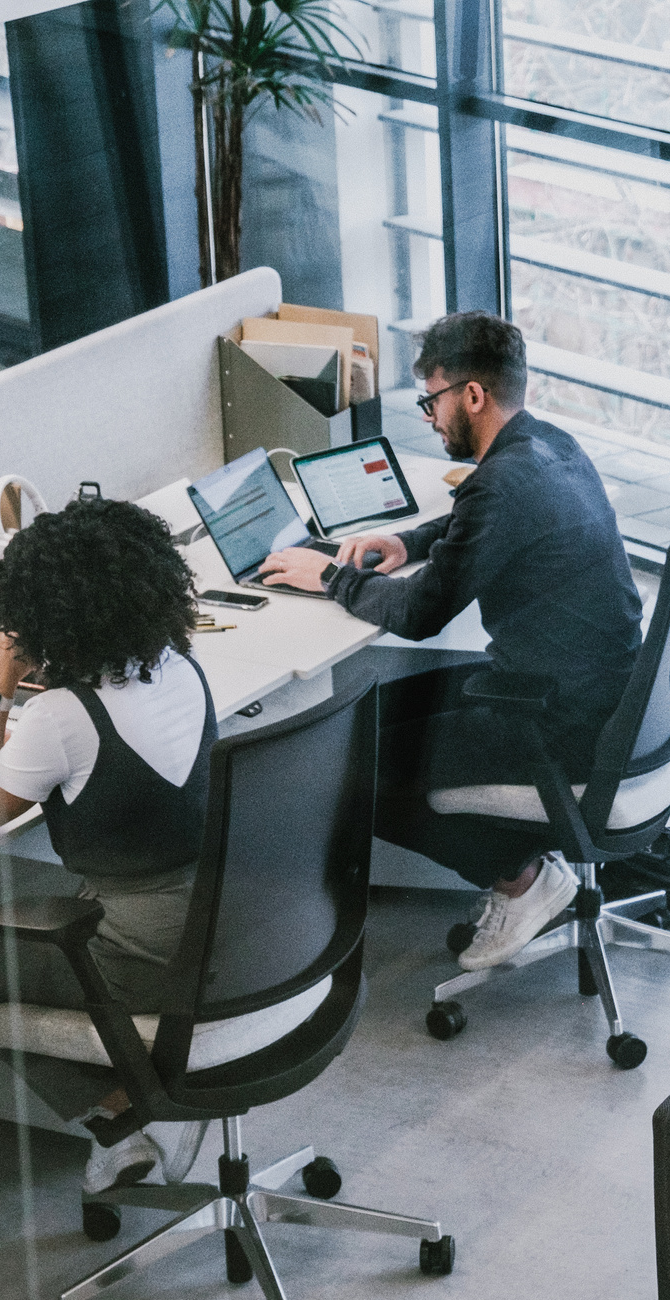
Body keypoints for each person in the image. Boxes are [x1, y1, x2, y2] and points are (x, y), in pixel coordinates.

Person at [256, 310, 643, 971]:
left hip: (557, 722)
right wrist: (404, 540)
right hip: (603, 695)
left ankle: (522, 882)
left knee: (350, 770)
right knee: (367, 716)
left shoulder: (498, 484)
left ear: (471, 395)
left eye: (432, 399)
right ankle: (522, 857)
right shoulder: (550, 444)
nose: (429, 416)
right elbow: (479, 520)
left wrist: (329, 576)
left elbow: (420, 612)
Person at [0, 497, 215, 1195]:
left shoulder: (62, 717)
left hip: (142, 958)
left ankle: (126, 1120)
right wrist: (2, 737)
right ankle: (145, 1096)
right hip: (224, 927)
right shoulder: (181, 665)